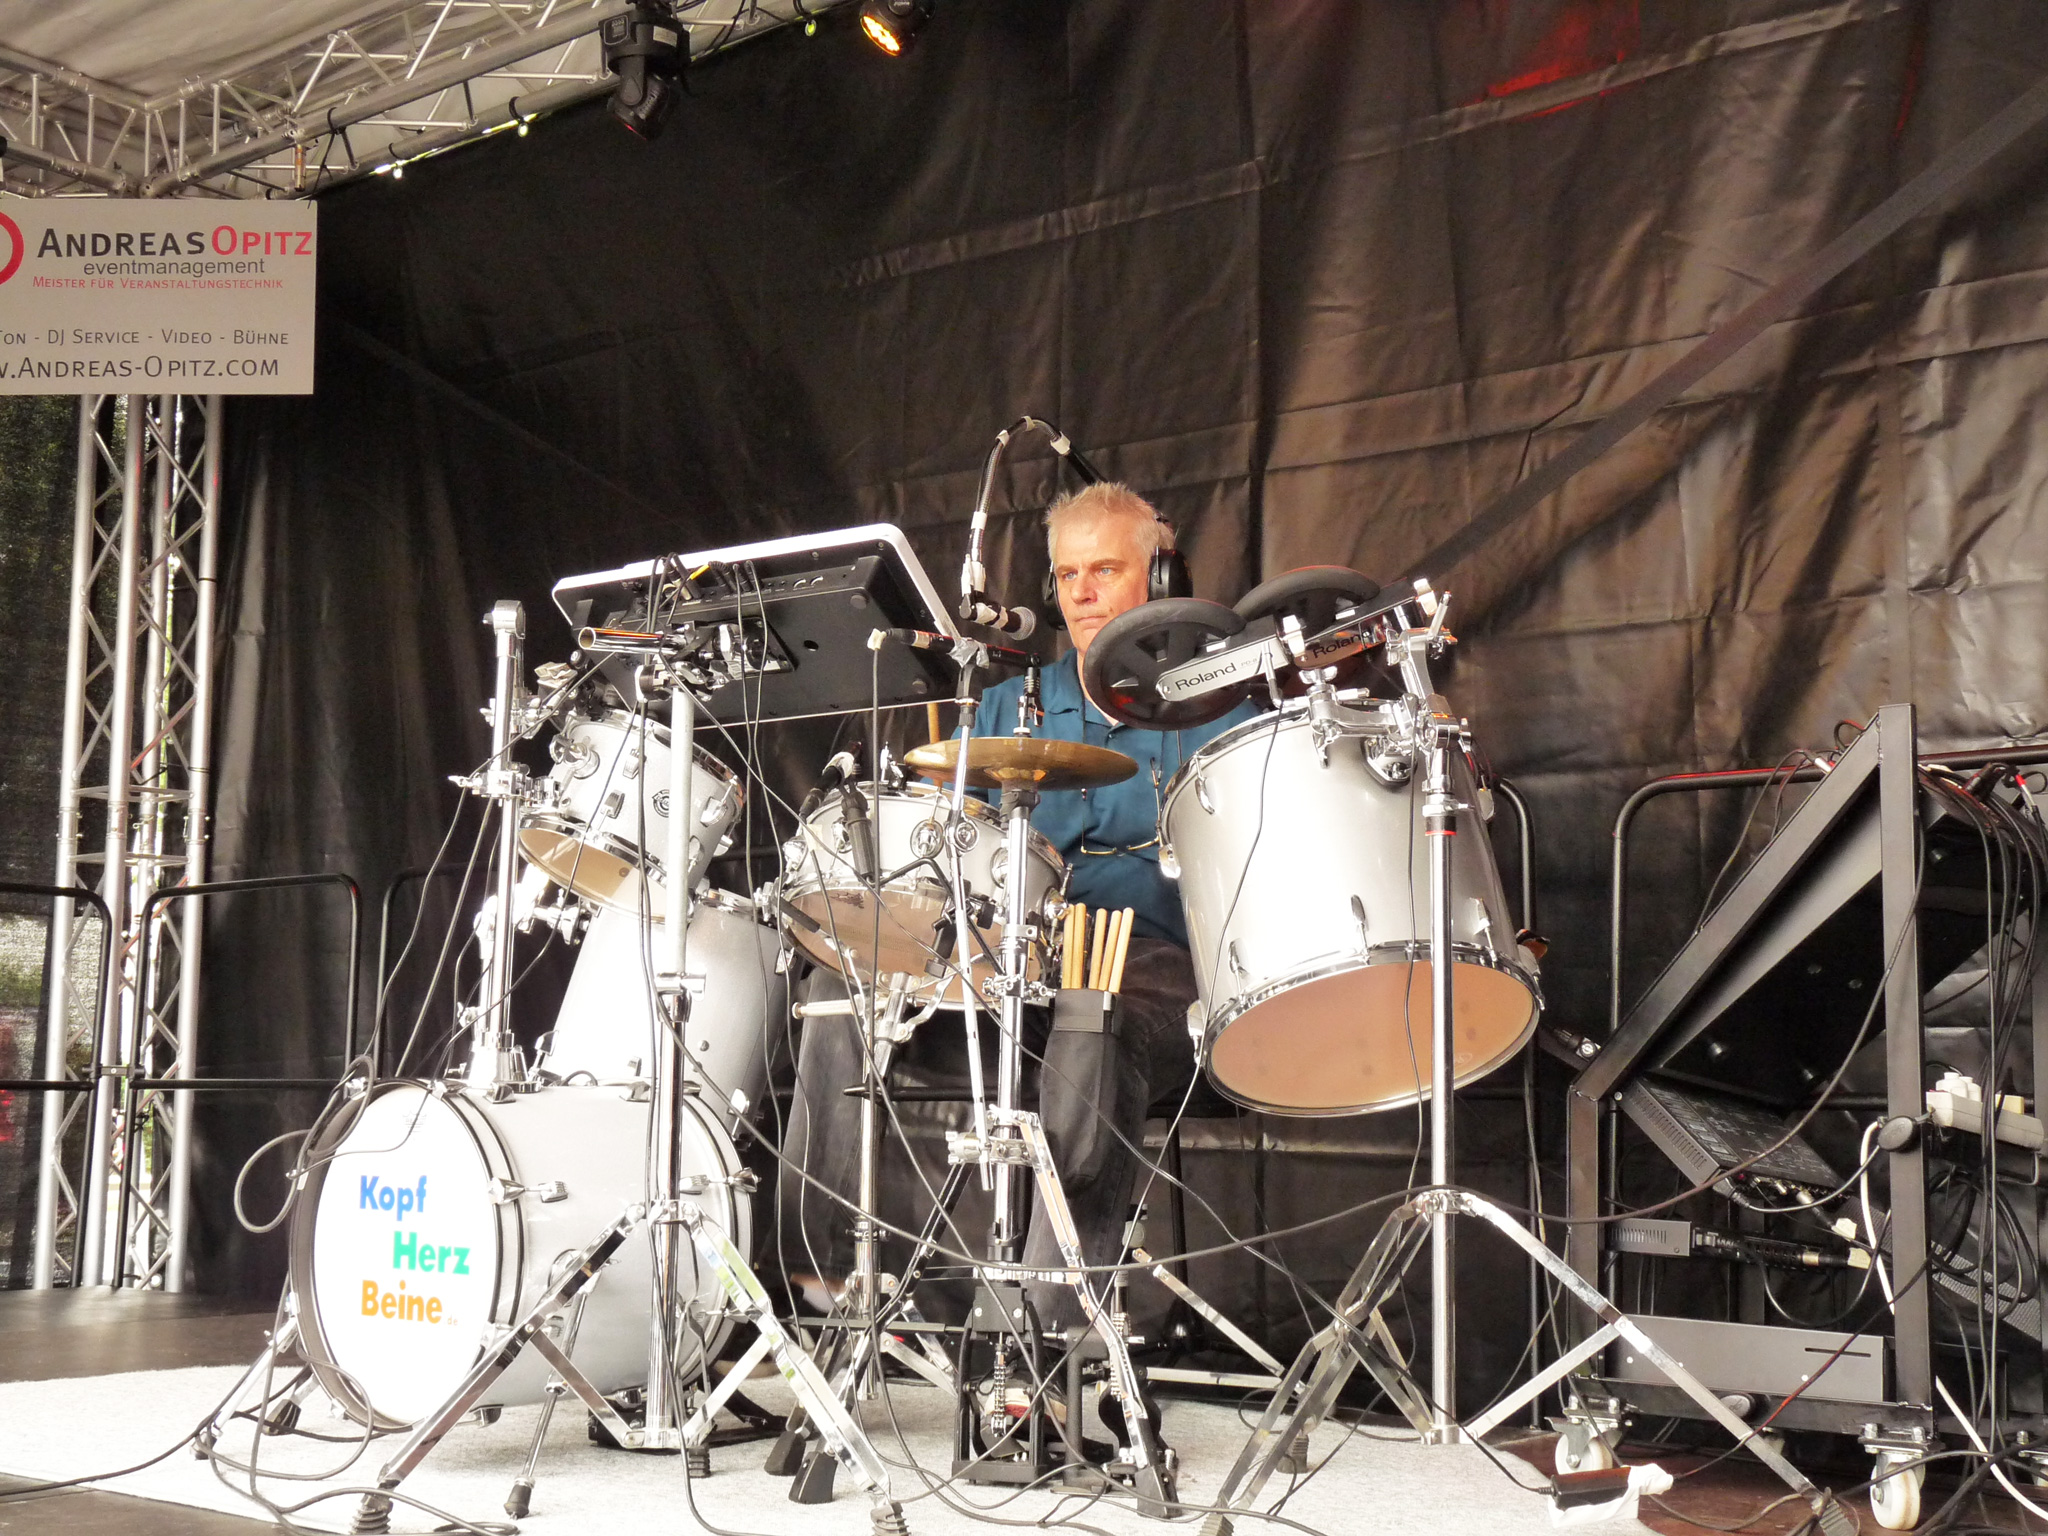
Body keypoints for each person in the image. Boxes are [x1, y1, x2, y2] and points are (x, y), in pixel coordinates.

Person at [778, 483, 1257, 1344]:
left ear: (1157, 574)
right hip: (1004, 959)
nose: (1081, 594)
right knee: (839, 985)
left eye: (1104, 570)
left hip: (1147, 962)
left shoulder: (1219, 705)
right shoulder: (1004, 709)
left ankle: (1044, 1318)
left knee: (1091, 1015)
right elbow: (944, 860)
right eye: (1067, 575)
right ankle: (830, 1276)